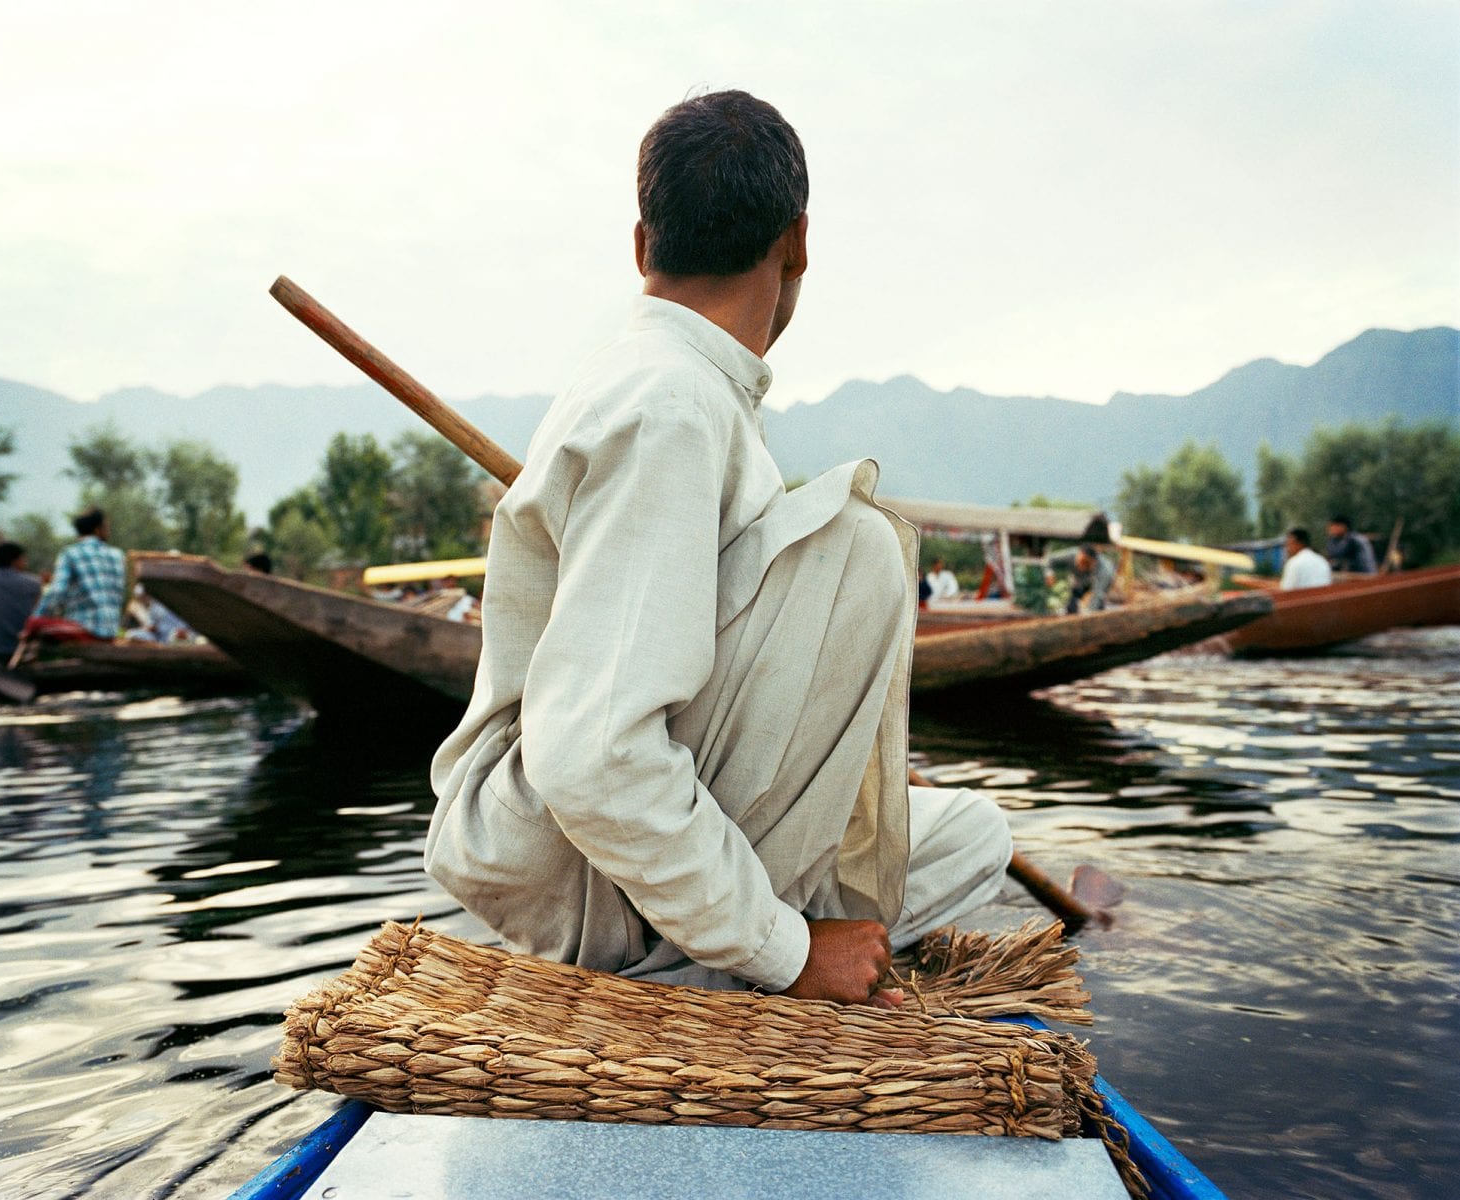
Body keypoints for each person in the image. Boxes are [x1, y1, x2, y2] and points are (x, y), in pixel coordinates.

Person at [426, 90, 1010, 1007]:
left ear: (640, 245)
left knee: (972, 836)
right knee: (856, 545)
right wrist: (787, 950)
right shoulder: (668, 407)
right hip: (565, 869)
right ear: (798, 244)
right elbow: (591, 757)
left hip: (589, 849)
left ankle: (720, 927)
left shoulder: (668, 390)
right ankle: (710, 962)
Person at [30, 508, 128, 640]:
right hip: (111, 631)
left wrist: (38, 618)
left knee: (33, 623)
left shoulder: (70, 553)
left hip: (83, 629)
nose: (108, 531)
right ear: (97, 530)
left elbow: (57, 593)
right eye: (106, 527)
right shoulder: (118, 555)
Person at [1065, 543, 1116, 614]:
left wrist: (1089, 614)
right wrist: (1049, 573)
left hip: (1101, 581)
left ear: (1092, 561)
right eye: (1078, 562)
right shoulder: (1073, 554)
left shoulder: (1105, 571)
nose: (1078, 565)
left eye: (1083, 563)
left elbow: (1097, 594)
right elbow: (1050, 560)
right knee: (1074, 597)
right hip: (1084, 581)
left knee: (1098, 604)